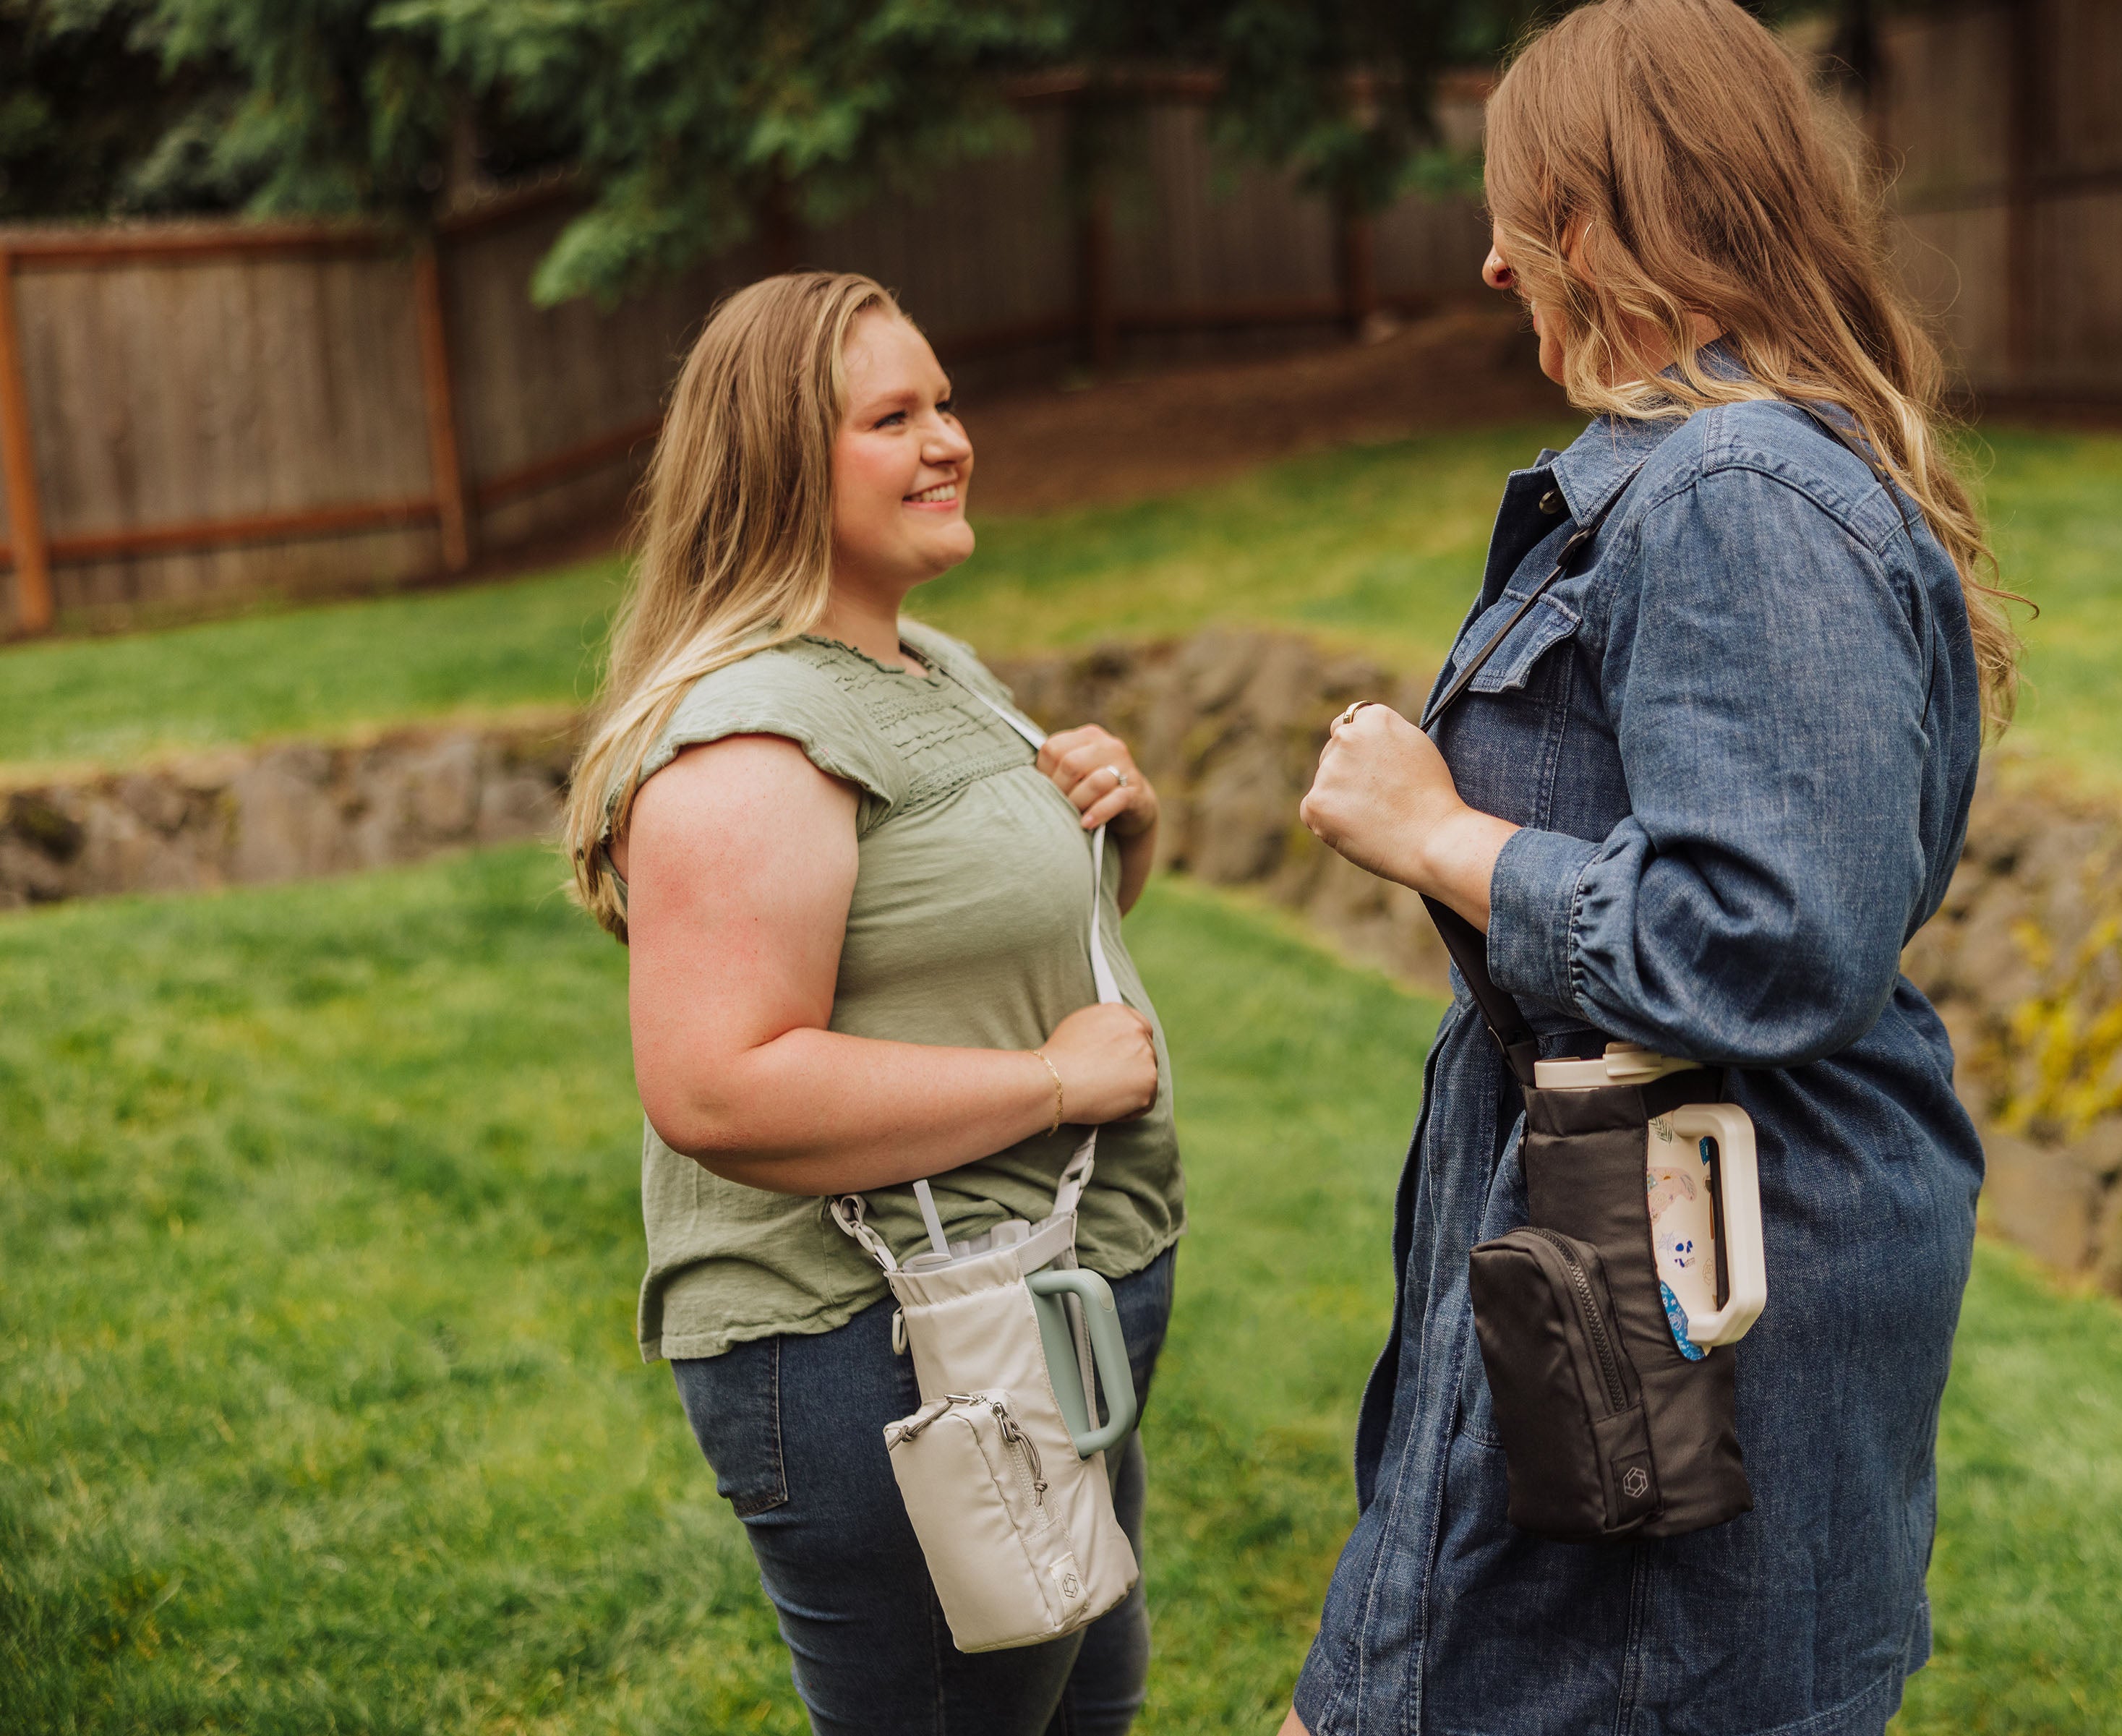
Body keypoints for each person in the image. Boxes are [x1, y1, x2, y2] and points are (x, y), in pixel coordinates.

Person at [1286, 2, 2019, 1731]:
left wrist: (1440, 836)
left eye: (1513, 214)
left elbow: (1770, 937)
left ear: (1590, 218)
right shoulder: (1722, 475)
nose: (1490, 264)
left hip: (1687, 1279)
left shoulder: (1728, 489)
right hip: (1644, 1244)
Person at [559, 272, 1181, 1736]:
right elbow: (718, 1086)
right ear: (782, 461)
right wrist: (1052, 1085)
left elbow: (957, 953)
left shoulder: (927, 667)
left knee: (1085, 1705)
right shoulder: (750, 747)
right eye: (894, 418)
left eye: (945, 404)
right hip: (883, 1353)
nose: (950, 440)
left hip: (1028, 1309)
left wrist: (1117, 837)